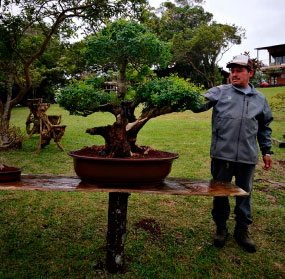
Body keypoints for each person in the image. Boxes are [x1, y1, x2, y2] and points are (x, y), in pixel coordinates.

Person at [194, 55, 273, 253]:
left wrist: (267, 151)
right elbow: (197, 105)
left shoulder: (260, 99)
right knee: (220, 193)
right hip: (222, 155)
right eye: (232, 71)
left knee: (244, 194)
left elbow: (264, 127)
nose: (234, 74)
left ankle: (242, 230)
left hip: (247, 156)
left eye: (239, 70)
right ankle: (221, 228)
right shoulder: (220, 92)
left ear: (250, 73)